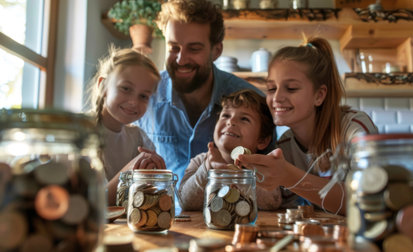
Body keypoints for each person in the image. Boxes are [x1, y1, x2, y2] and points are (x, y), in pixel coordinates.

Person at [236, 38, 378, 215]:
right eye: (272, 89)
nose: (277, 98)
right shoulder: (285, 146)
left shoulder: (355, 129)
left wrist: (288, 176)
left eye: (291, 88)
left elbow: (368, 201)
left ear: (319, 95)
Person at [135, 0, 262, 182]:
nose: (181, 59)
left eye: (194, 49)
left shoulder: (252, 100)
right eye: (173, 48)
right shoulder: (145, 94)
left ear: (216, 50)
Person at [178, 89, 281, 211]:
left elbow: (272, 202)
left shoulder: (263, 167)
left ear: (262, 140)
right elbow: (185, 202)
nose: (231, 121)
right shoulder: (200, 162)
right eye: (226, 115)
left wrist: (235, 174)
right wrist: (207, 169)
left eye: (244, 119)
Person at [87, 47, 166, 205]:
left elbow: (147, 200)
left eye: (143, 96)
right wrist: (129, 174)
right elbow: (91, 204)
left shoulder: (139, 138)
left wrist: (156, 176)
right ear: (103, 86)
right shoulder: (78, 134)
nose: (133, 102)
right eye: (126, 89)